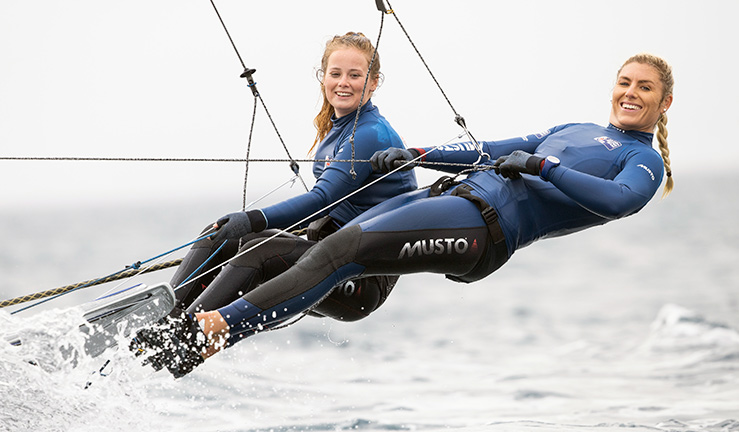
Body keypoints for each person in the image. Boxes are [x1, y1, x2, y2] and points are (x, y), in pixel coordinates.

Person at [135, 53, 674, 378]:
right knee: (309, 248)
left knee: (340, 252)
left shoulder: (642, 159)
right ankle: (170, 340)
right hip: (453, 197)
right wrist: (420, 154)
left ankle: (213, 329)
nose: (630, 92)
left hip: (486, 229)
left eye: (644, 87)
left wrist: (543, 167)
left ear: (663, 103)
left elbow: (617, 201)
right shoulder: (572, 127)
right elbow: (488, 147)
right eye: (625, 82)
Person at [132, 32, 417, 372]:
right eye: (336, 73)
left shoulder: (370, 133)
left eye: (355, 75)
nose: (344, 82)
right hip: (325, 259)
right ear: (322, 76)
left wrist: (253, 219)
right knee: (220, 234)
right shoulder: (338, 131)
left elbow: (323, 199)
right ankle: (168, 316)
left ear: (373, 83)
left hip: (360, 279)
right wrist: (237, 229)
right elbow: (335, 207)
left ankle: (183, 335)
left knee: (258, 246)